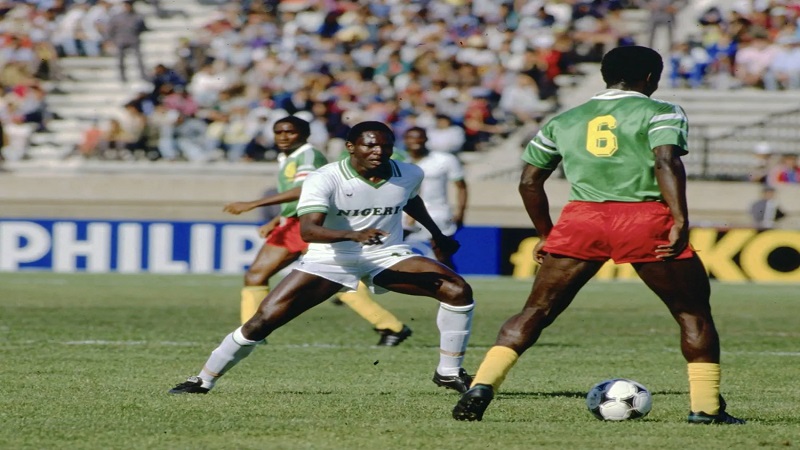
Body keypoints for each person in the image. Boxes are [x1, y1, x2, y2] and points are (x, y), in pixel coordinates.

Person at [452, 46, 745, 425]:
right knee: (692, 313)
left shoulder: (564, 120)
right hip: (642, 217)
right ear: (651, 78)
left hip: (582, 218)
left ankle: (482, 385)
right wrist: (679, 219)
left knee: (536, 310)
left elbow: (529, 182)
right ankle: (706, 409)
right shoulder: (662, 112)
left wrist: (546, 233)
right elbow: (665, 160)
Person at [169, 121, 475, 395]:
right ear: (351, 147)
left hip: (385, 254)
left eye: (386, 146)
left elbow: (410, 200)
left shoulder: (409, 173)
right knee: (262, 322)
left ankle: (448, 372)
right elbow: (309, 231)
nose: (379, 151)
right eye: (370, 145)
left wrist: (437, 234)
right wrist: (353, 235)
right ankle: (203, 379)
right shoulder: (325, 178)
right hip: (330, 258)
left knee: (457, 290)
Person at [222, 116, 412, 346]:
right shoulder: (289, 156)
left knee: (327, 278)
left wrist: (254, 203)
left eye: (290, 132)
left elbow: (305, 189)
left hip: (306, 223)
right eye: (278, 132)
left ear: (304, 135)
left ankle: (251, 334)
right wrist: (277, 219)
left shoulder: (309, 156)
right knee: (328, 278)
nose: (283, 137)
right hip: (293, 221)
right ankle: (390, 325)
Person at [402, 127, 468, 270]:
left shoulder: (444, 159)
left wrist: (461, 212)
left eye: (419, 137)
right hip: (404, 214)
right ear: (405, 140)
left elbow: (461, 186)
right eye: (411, 137)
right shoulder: (399, 161)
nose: (415, 141)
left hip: (437, 213)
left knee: (442, 256)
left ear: (426, 139)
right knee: (388, 250)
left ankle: (453, 282)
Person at [105, 0, 147, 83]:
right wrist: (112, 40)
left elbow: (143, 28)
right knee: (120, 60)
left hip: (133, 39)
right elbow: (110, 30)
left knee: (139, 59)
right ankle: (122, 77)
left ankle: (142, 75)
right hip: (120, 40)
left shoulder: (137, 16)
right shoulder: (117, 17)